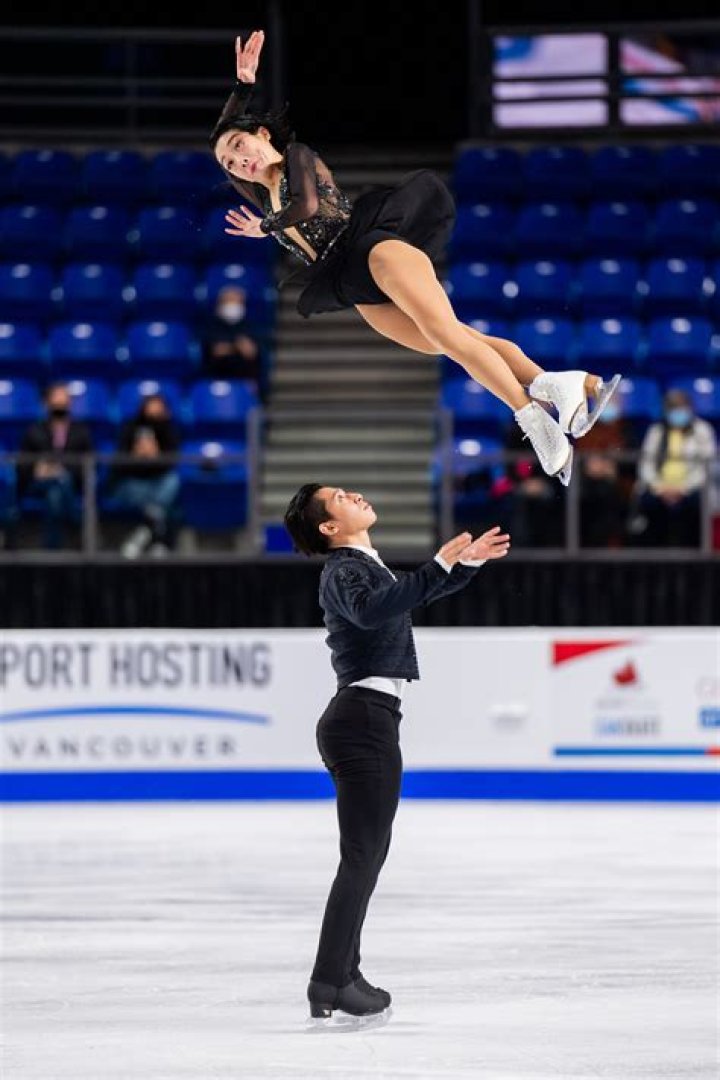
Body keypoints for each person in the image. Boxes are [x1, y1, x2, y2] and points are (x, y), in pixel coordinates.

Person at [208, 31, 621, 489]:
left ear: (262, 134)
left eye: (239, 147)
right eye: (228, 163)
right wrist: (242, 85)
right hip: (352, 284)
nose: (237, 161)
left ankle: (537, 422)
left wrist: (264, 226)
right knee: (457, 340)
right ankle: (565, 384)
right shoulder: (261, 192)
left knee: (450, 337)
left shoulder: (296, 158)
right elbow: (219, 136)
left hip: (374, 251)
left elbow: (305, 205)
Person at [283, 482, 510, 1026]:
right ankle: (330, 980)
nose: (355, 494)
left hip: (368, 718)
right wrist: (439, 565)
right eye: (340, 497)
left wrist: (463, 566)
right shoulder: (343, 570)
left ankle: (344, 973)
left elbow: (408, 597)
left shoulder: (364, 565)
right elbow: (372, 610)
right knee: (363, 856)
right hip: (362, 721)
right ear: (329, 527)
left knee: (367, 855)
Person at [628, 387, 717, 548]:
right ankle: (654, 554)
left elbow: (706, 467)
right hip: (659, 488)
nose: (678, 413)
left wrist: (683, 489)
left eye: (681, 408)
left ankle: (696, 553)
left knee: (696, 504)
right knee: (648, 503)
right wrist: (660, 488)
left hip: (692, 488)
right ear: (666, 410)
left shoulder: (703, 430)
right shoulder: (656, 431)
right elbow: (646, 465)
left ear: (690, 408)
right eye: (673, 408)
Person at [16, 382, 93, 549]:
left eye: (63, 401)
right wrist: (37, 469)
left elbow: (89, 464)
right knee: (60, 484)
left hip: (70, 484)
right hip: (38, 484)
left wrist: (61, 471)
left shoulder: (81, 432)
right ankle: (78, 526)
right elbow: (22, 465)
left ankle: (51, 552)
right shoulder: (34, 431)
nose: (60, 405)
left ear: (69, 404)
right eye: (56, 401)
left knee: (55, 496)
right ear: (47, 404)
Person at [107, 392, 182, 558]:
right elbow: (119, 463)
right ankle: (157, 538)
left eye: (158, 408)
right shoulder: (130, 428)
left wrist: (156, 456)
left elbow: (172, 462)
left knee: (172, 481)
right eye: (151, 406)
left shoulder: (169, 430)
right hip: (134, 481)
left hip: (158, 484)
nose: (154, 411)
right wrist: (136, 457)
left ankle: (145, 531)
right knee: (146, 497)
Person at [575, 393, 639, 548]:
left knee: (610, 492)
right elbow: (579, 457)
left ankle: (615, 545)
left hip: (619, 482)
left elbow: (633, 462)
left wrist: (614, 468)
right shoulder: (585, 429)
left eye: (611, 403)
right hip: (589, 481)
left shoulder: (628, 430)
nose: (606, 407)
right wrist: (590, 467)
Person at [201, 283, 261, 383]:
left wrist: (229, 348)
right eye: (229, 301)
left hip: (243, 378)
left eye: (237, 302)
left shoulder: (250, 327)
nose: (233, 305)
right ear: (220, 304)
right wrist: (237, 347)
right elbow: (216, 350)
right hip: (215, 377)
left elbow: (252, 352)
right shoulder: (210, 326)